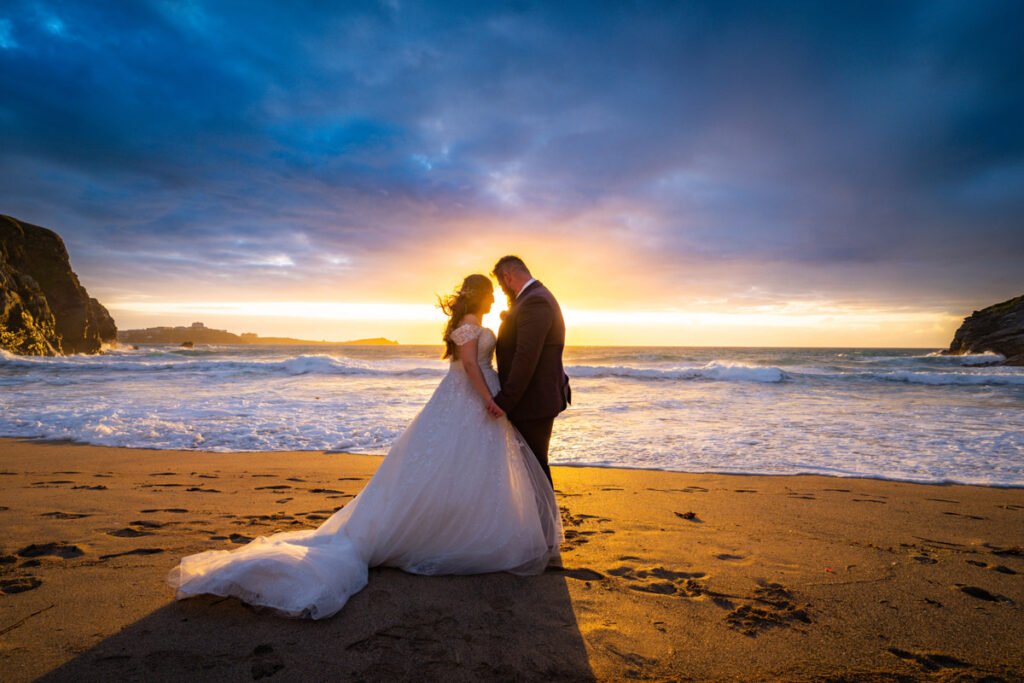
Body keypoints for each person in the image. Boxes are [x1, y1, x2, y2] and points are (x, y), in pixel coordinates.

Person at [167, 274, 562, 619]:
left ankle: (464, 523)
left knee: (464, 465)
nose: (494, 299)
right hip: (471, 396)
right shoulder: (472, 322)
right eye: (490, 293)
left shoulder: (471, 320)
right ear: (480, 294)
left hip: (464, 397)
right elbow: (473, 366)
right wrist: (488, 400)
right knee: (457, 463)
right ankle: (451, 532)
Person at [491, 256, 571, 485]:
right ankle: (538, 519)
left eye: (501, 284)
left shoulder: (535, 302)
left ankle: (545, 520)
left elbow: (526, 356)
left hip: (533, 401)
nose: (502, 290)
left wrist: (505, 400)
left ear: (507, 277)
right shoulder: (531, 298)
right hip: (533, 399)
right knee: (530, 465)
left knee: (534, 466)